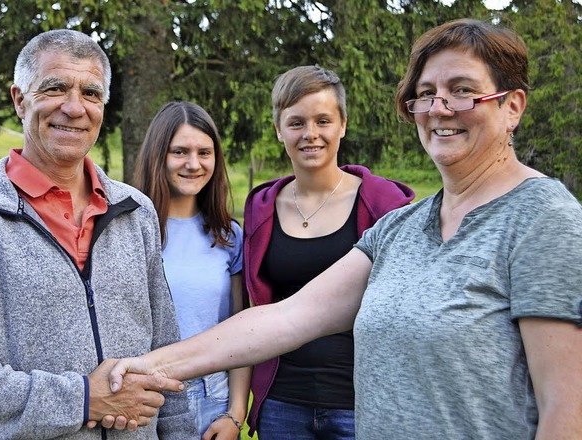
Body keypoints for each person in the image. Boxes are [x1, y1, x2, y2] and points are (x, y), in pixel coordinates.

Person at [108, 18, 582, 439]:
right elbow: (286, 318)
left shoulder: (542, 220)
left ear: (513, 105)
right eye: (426, 93)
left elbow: (568, 413)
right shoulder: (401, 227)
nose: (439, 108)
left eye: (463, 90)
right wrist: (149, 366)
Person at [0, 29, 197, 439]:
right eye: (55, 87)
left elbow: (166, 354)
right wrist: (82, 399)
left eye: (91, 94)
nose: (75, 108)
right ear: (19, 99)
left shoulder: (135, 211)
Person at [242, 66, 414, 439]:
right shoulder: (261, 207)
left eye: (323, 120)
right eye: (296, 122)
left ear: (343, 125)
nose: (311, 134)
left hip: (361, 404)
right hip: (282, 403)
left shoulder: (385, 203)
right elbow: (251, 306)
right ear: (278, 130)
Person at [133, 101, 250, 439]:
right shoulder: (131, 229)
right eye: (180, 152)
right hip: (147, 398)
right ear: (159, 156)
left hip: (212, 398)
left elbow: (240, 332)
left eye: (204, 152)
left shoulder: (228, 236)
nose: (194, 164)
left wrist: (236, 415)